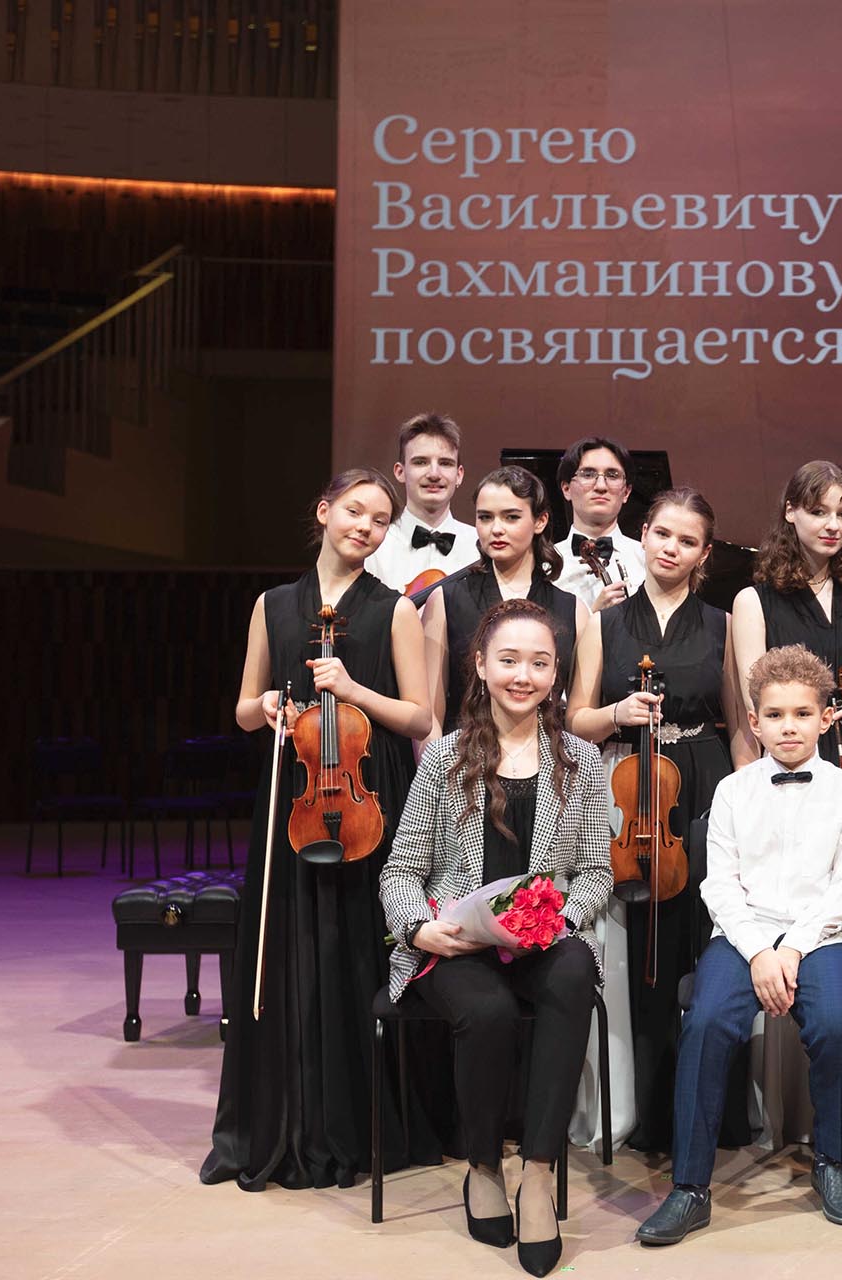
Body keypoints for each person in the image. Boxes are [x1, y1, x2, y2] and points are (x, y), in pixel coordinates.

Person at [202, 468, 438, 1190]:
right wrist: (270, 704)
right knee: (289, 950)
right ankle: (283, 1122)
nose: (365, 526)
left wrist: (353, 689)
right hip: (294, 793)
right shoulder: (272, 604)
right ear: (325, 511)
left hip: (366, 797)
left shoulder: (394, 609)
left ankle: (356, 1127)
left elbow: (419, 717)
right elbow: (243, 709)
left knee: (355, 949)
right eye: (354, 511)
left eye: (380, 520)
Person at [379, 598, 613, 1278]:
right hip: (459, 940)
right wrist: (420, 927)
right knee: (488, 1011)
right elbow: (401, 870)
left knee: (575, 974)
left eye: (539, 663)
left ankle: (537, 1172)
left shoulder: (580, 760)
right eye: (508, 660)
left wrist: (558, 921)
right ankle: (483, 1164)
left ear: (555, 673)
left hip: (542, 938)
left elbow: (595, 872)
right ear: (480, 666)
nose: (523, 675)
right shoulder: (444, 757)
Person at [636, 645, 842, 1245]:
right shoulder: (732, 791)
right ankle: (690, 1186)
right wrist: (760, 951)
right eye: (775, 715)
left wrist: (790, 950)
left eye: (802, 714)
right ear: (754, 720)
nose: (788, 726)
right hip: (743, 935)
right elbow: (719, 885)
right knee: (706, 1022)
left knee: (838, 1024)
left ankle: (831, 1161)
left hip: (822, 936)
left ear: (825, 719)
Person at [565, 487, 749, 1154]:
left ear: (704, 553)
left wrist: (747, 800)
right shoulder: (605, 621)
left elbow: (738, 722)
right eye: (663, 534)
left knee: (708, 938)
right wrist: (618, 714)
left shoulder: (723, 623)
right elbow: (575, 718)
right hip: (628, 785)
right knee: (638, 944)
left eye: (687, 540)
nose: (672, 548)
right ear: (643, 535)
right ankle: (646, 1112)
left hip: (703, 779)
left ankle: (716, 1114)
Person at [730, 460, 842, 770]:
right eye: (819, 512)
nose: (833, 526)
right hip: (791, 751)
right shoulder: (752, 602)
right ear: (790, 511)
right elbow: (754, 697)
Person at [422, 466, 593, 734]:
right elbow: (429, 716)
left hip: (545, 754)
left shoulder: (572, 610)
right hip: (463, 753)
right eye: (485, 517)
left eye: (511, 517)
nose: (496, 529)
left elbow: (578, 718)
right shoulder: (446, 600)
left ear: (540, 521)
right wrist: (437, 760)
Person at [364, 411, 480, 595]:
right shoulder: (374, 545)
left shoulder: (480, 546)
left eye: (445, 463)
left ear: (459, 475)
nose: (434, 474)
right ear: (400, 472)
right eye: (420, 462)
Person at [552, 435, 649, 612]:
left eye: (612, 475)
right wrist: (593, 617)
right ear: (566, 489)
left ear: (626, 492)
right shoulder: (545, 563)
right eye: (588, 474)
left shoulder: (647, 559)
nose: (601, 486)